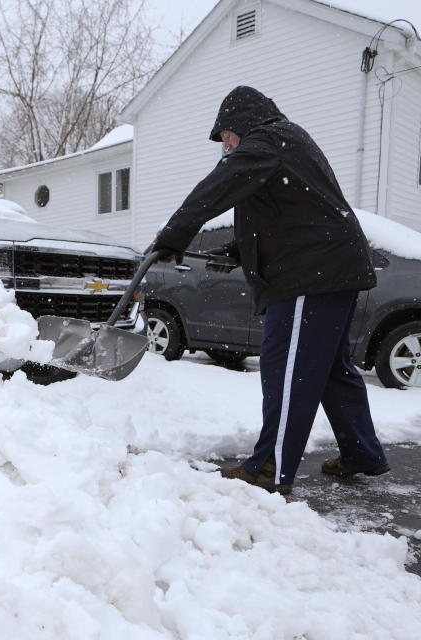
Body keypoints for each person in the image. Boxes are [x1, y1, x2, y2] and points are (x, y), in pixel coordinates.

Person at [150, 85, 389, 495]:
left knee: (288, 370)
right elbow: (286, 214)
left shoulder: (269, 140)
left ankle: (269, 467)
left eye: (225, 134)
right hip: (331, 271)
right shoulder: (284, 144)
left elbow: (218, 186)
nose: (224, 145)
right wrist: (238, 250)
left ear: (243, 121)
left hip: (310, 277)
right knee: (331, 371)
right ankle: (361, 452)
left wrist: (174, 233)